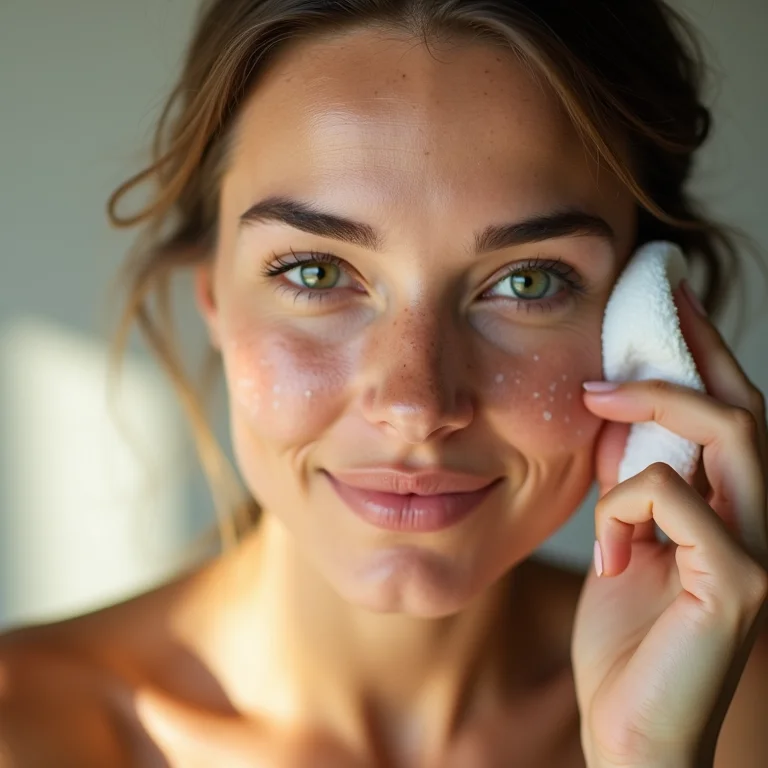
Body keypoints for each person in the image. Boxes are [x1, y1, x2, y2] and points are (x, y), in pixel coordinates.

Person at [1, 0, 767, 765]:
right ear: (214, 297)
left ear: (648, 323)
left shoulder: (732, 706)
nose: (417, 406)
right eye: (317, 272)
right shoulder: (25, 729)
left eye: (529, 282)